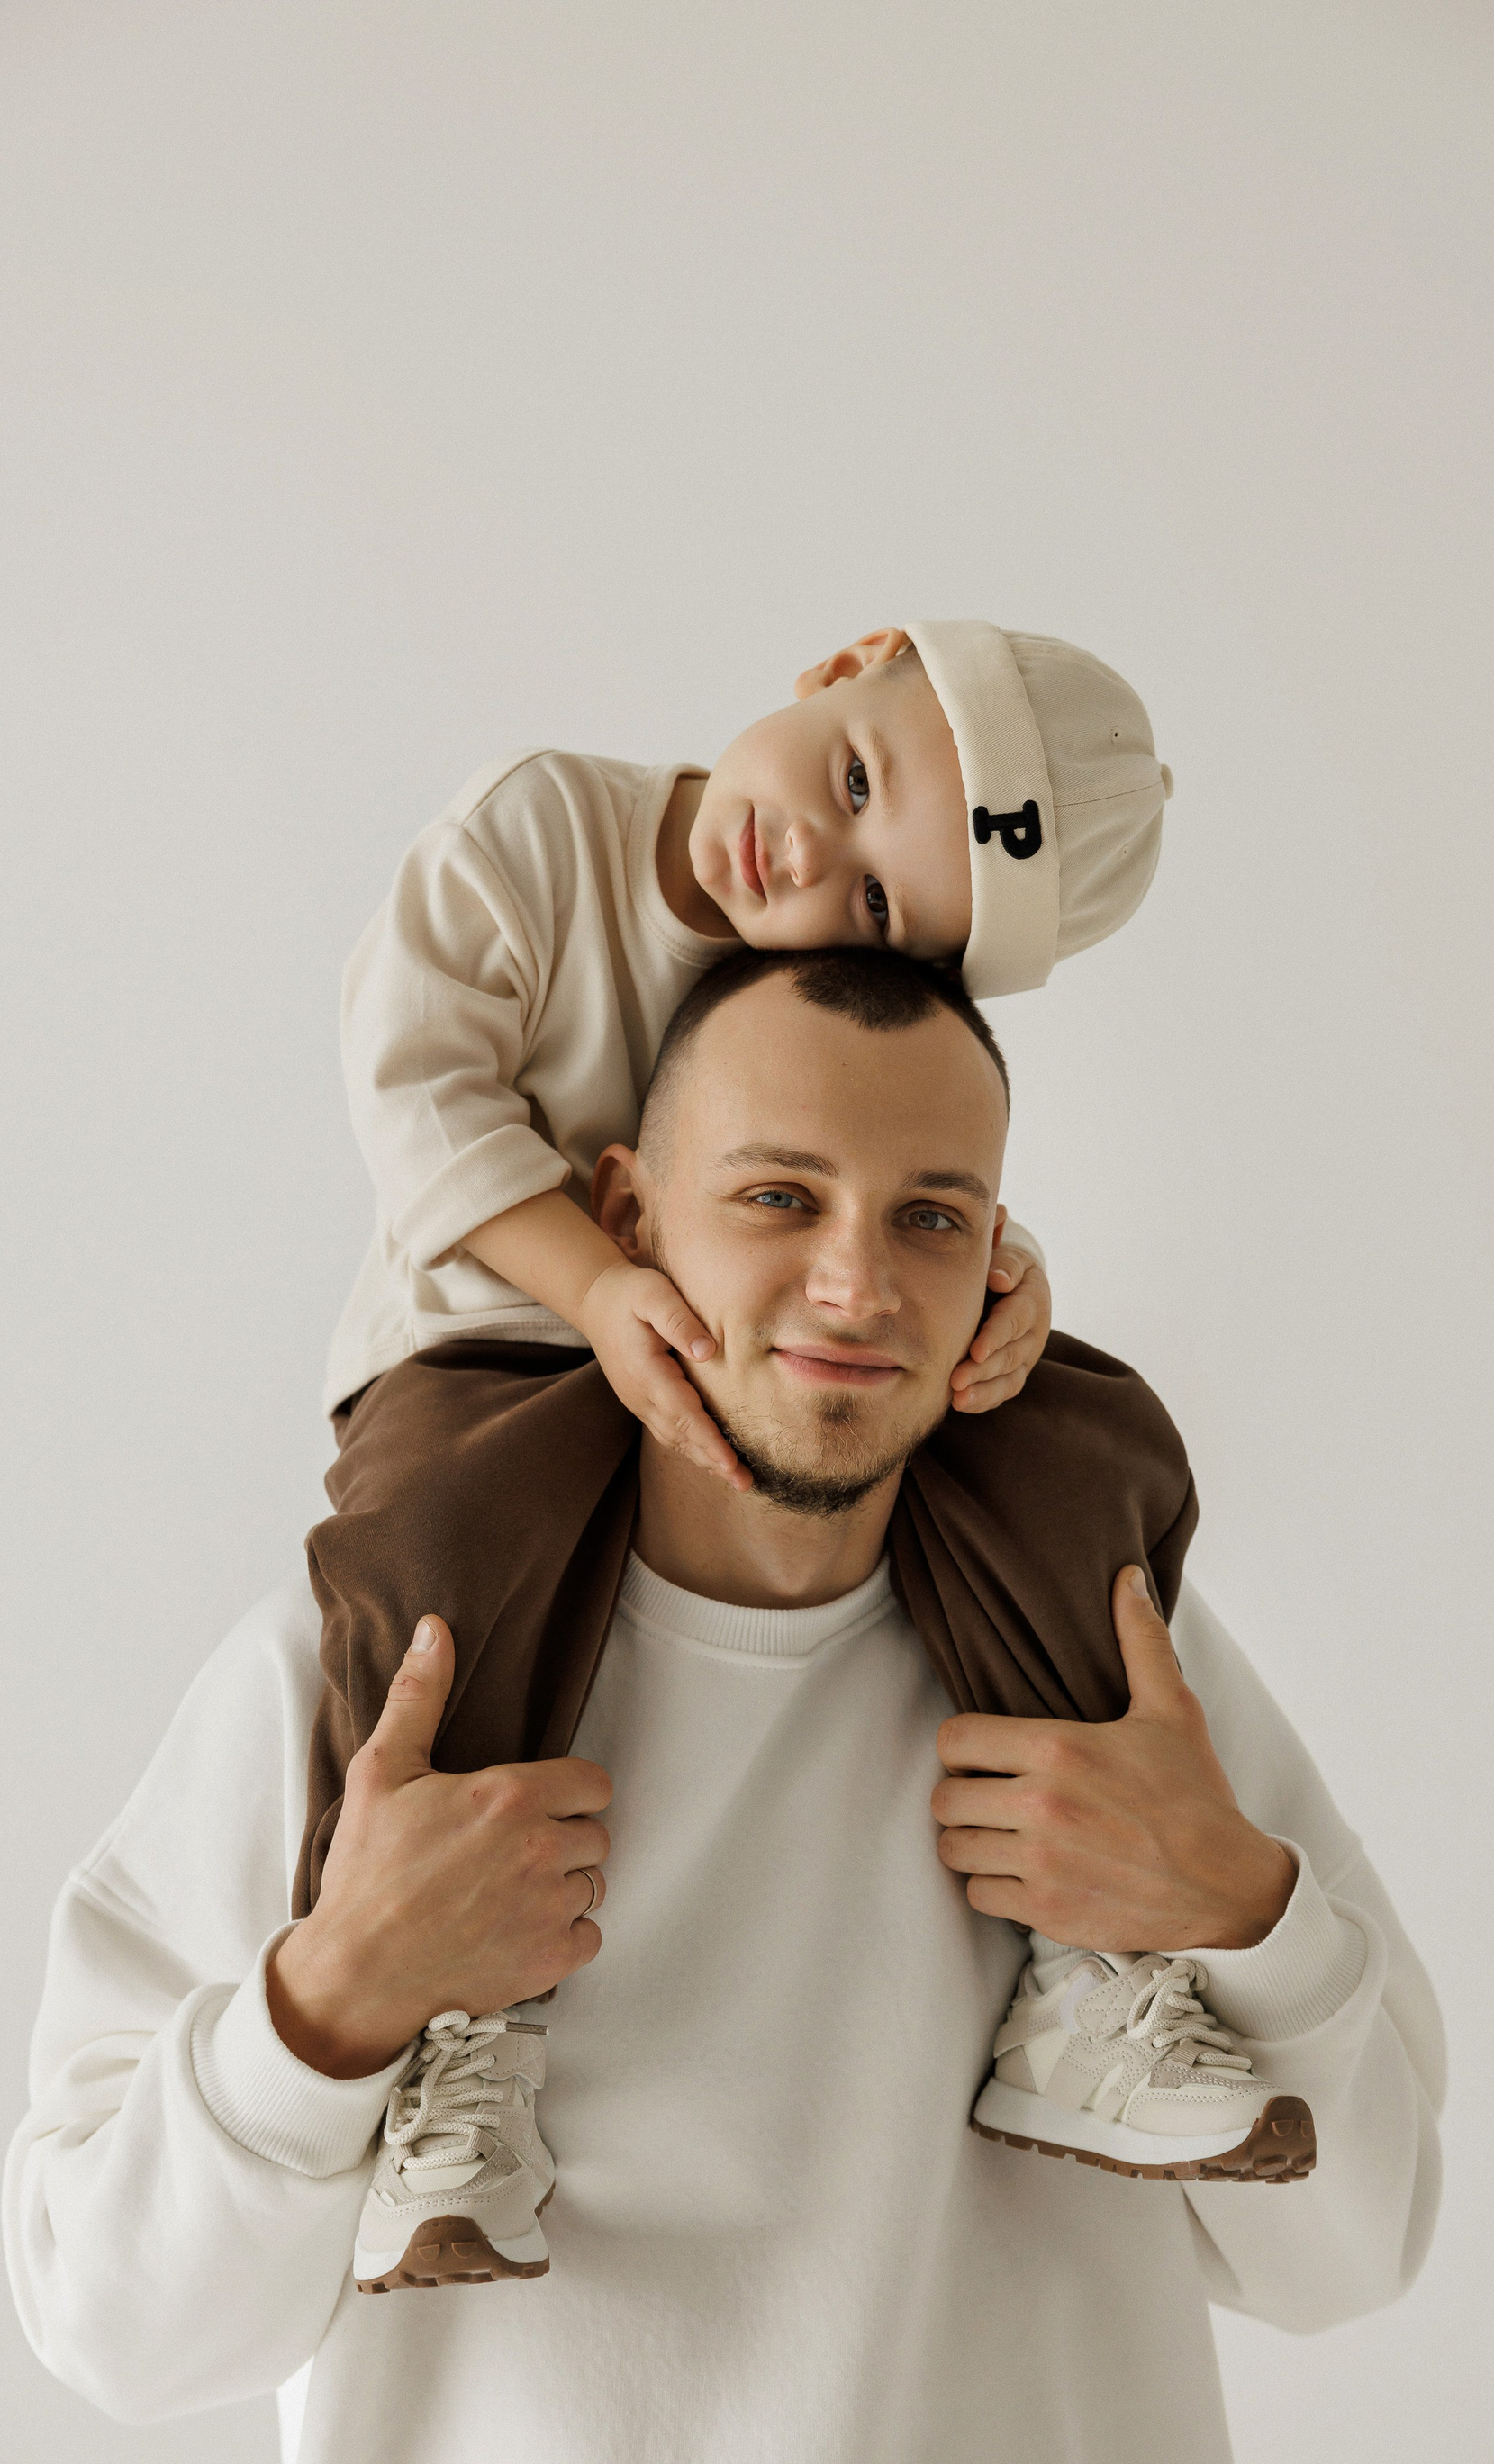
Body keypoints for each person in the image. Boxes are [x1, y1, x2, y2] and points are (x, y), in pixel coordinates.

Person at [5, 954, 1444, 2464]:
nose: (856, 1284)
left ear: (998, 1260)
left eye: (931, 1216)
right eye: (779, 1196)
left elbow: (1354, 2255)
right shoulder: (371, 1680)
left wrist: (1244, 1914)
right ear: (626, 1218)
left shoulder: (1117, 1671)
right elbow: (110, 2331)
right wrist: (333, 1999)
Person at [305, 620, 1212, 2276]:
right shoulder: (541, 829)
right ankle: (453, 2034)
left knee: (1091, 1443)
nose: (804, 861)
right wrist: (602, 1290)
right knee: (436, 1555)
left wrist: (1002, 1279)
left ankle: (1093, 1972)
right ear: (849, 661)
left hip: (736, 1359)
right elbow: (417, 1090)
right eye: (854, 781)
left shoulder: (826, 969)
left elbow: (873, 1145)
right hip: (490, 1341)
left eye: (873, 908)